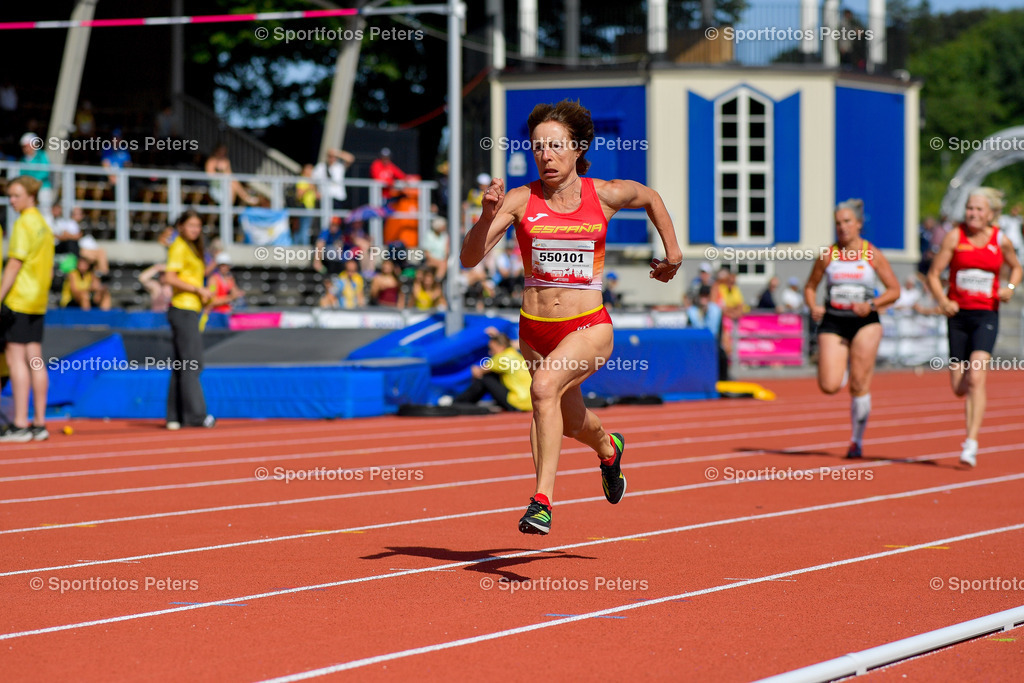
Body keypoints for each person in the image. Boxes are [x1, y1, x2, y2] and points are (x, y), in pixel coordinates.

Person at [460, 99, 683, 535]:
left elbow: (651, 197)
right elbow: (470, 259)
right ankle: (609, 448)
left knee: (542, 390)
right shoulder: (520, 201)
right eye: (538, 146)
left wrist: (673, 255)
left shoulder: (605, 194)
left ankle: (541, 501)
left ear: (578, 148)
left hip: (588, 326)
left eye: (556, 146)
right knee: (569, 419)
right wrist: (488, 214)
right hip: (534, 330)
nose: (545, 155)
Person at [926, 187, 1022, 467]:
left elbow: (1017, 268)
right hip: (958, 316)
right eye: (970, 208)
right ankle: (968, 410)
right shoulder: (955, 237)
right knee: (959, 386)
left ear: (991, 213)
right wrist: (943, 301)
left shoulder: (1000, 240)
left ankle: (971, 442)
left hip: (986, 316)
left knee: (977, 377)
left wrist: (1011, 288)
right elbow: (933, 275)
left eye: (979, 209)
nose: (973, 213)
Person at [804, 199, 900, 459]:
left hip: (864, 322)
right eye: (838, 223)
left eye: (847, 222)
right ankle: (841, 366)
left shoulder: (872, 254)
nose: (842, 227)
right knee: (829, 385)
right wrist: (813, 306)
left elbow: (894, 291)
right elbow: (810, 287)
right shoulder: (828, 255)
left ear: (858, 224)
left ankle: (856, 441)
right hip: (834, 320)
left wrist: (870, 304)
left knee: (859, 383)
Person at [0, 176, 54, 442]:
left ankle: (20, 423)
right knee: (35, 359)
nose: (11, 200)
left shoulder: (23, 223)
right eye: (10, 195)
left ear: (31, 196)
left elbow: (14, 263)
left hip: (20, 300)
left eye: (16, 195)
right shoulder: (44, 225)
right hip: (38, 301)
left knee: (15, 359)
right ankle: (40, 422)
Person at [162, 210, 216, 430]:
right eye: (191, 225)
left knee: (181, 364)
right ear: (181, 226)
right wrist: (197, 289)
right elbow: (169, 277)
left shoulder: (193, 248)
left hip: (189, 309)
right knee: (193, 363)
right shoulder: (179, 247)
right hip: (183, 309)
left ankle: (174, 416)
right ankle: (195, 415)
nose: (195, 229)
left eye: (198, 225)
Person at [448, 330, 532, 412]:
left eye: (492, 349)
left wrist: (475, 370)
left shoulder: (502, 358)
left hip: (517, 402)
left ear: (501, 347)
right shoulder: (516, 354)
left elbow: (478, 372)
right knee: (493, 375)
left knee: (485, 379)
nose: (490, 352)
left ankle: (460, 403)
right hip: (530, 402)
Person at [687, 284, 728, 381]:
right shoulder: (692, 311)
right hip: (697, 343)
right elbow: (689, 329)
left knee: (722, 355)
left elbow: (720, 329)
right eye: (702, 295)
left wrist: (719, 344)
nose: (703, 298)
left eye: (706, 296)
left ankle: (723, 378)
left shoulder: (715, 310)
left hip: (711, 342)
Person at [312, 148, 354, 214]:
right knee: (325, 217)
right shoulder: (320, 167)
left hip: (338, 197)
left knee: (336, 219)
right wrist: (316, 192)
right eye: (330, 156)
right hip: (325, 197)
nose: (332, 158)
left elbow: (350, 158)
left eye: (334, 157)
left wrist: (337, 153)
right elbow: (313, 181)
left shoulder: (340, 166)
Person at [294, 164, 319, 246]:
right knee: (304, 227)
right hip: (304, 206)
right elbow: (299, 195)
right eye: (309, 169)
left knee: (305, 227)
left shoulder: (311, 181)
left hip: (310, 207)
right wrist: (309, 187)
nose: (311, 171)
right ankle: (304, 246)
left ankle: (300, 245)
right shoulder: (302, 180)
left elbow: (317, 195)